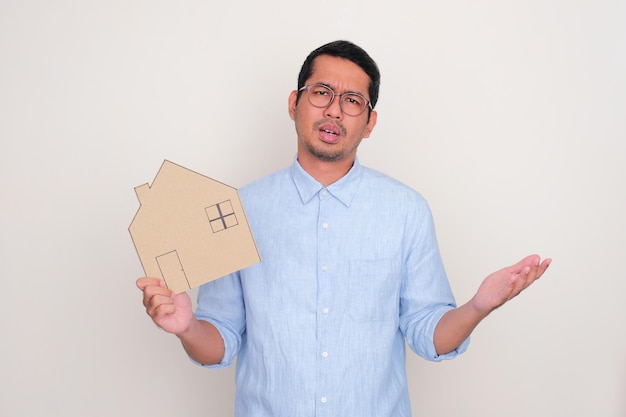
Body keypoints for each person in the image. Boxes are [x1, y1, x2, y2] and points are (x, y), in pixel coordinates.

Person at [137, 40, 551, 417]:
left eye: (353, 100)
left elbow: (428, 333)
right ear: (293, 103)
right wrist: (188, 328)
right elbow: (221, 340)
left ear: (370, 123)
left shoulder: (406, 210)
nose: (334, 110)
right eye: (322, 93)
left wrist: (476, 307)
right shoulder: (237, 210)